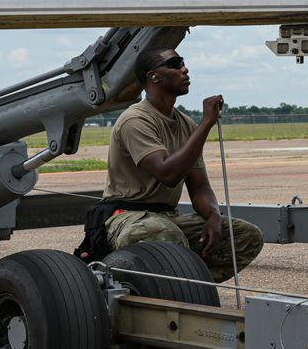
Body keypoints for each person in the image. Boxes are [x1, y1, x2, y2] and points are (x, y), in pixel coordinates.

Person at [89, 47, 263, 283]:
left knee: (245, 236)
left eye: (183, 62)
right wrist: (207, 123)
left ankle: (186, 284)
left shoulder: (185, 123)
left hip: (165, 215)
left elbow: (199, 186)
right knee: (166, 235)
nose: (185, 69)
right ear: (153, 77)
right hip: (128, 215)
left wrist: (213, 216)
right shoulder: (135, 120)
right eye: (175, 63)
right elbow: (167, 173)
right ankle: (177, 284)